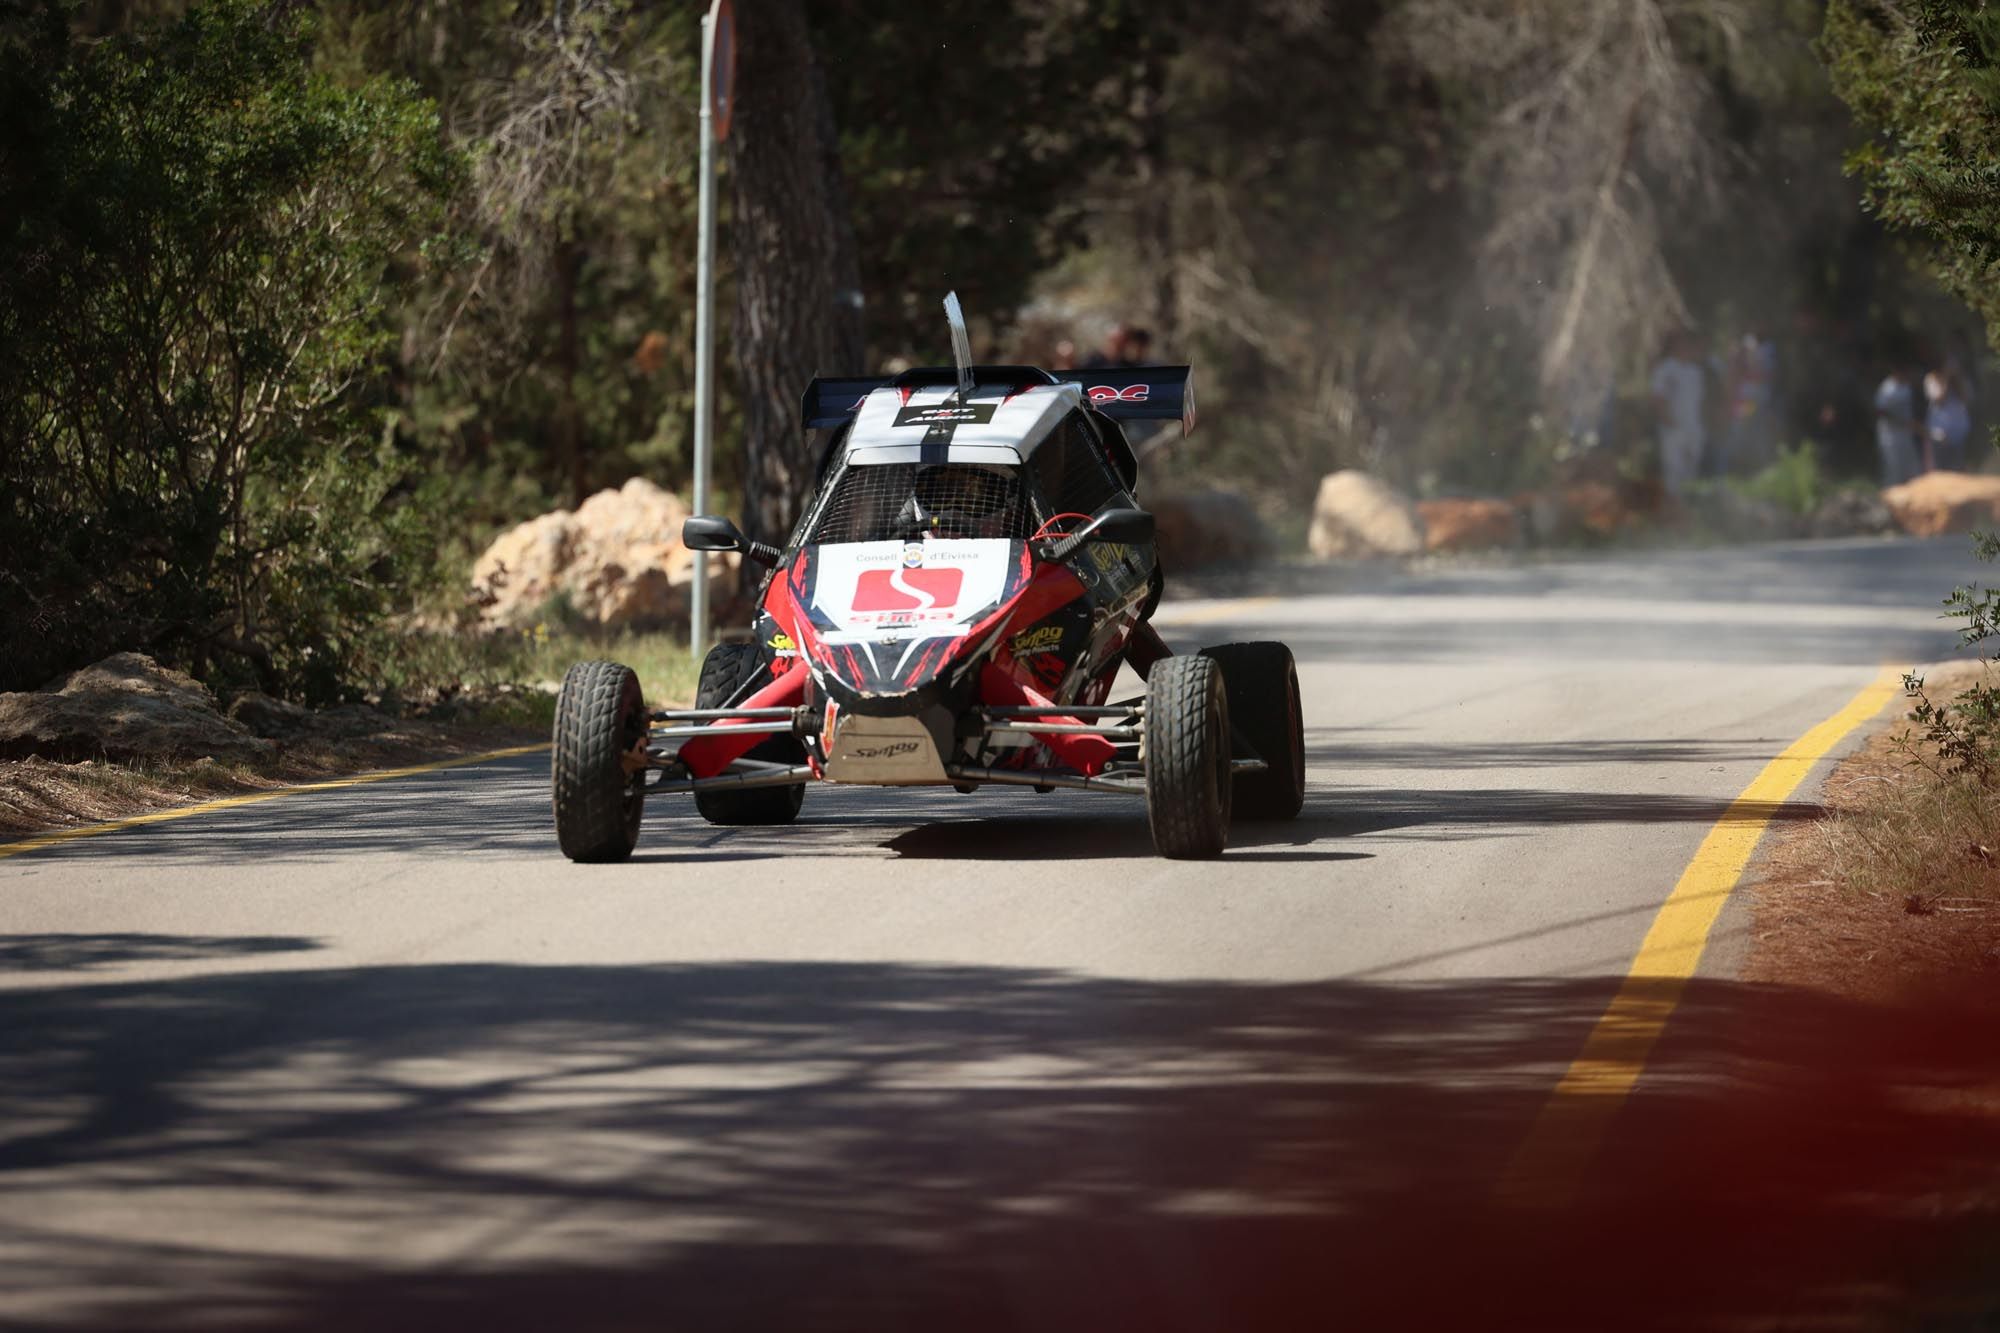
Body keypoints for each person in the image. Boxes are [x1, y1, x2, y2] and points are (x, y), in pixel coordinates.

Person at [1649, 331, 1707, 499]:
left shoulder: (1695, 371)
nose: (1687, 348)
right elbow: (1657, 398)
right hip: (1673, 429)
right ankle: (1674, 510)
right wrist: (1670, 423)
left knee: (1691, 471)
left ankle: (1689, 510)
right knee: (1673, 473)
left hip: (1694, 428)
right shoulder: (1665, 369)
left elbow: (1699, 401)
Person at [1874, 367, 1923, 486]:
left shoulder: (1906, 387)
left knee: (1912, 468)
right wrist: (1900, 421)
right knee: (1893, 469)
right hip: (1890, 436)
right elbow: (1880, 411)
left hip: (1905, 434)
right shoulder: (1887, 388)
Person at [1926, 368, 1972, 473]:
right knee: (1943, 470)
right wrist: (1947, 377)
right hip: (1940, 434)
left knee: (1959, 467)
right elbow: (1939, 397)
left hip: (1958, 434)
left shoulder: (1957, 382)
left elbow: (1965, 396)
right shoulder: (1931, 379)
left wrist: (1955, 378)